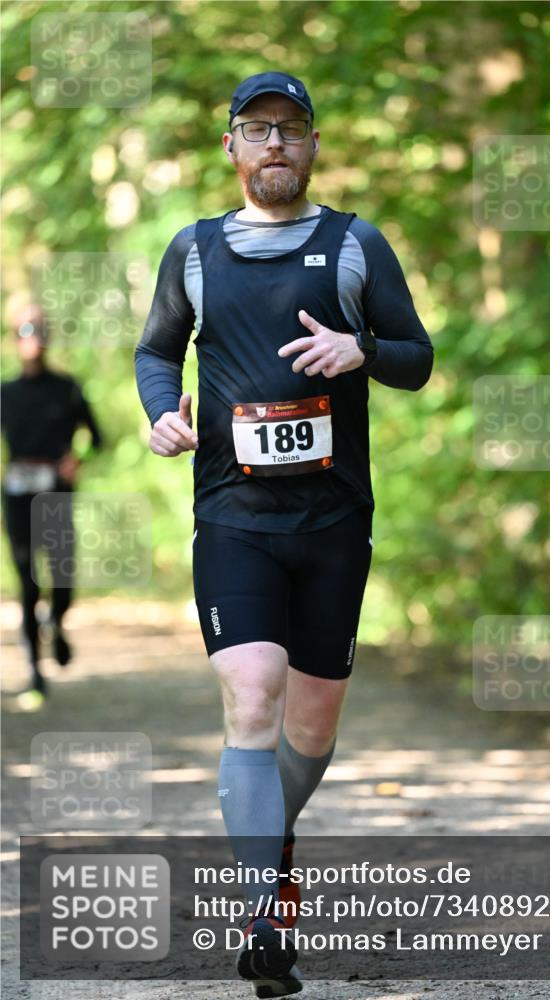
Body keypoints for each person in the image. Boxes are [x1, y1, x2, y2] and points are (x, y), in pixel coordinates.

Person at [135, 71, 433, 997]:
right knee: (252, 699)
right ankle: (263, 914)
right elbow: (156, 350)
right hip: (232, 517)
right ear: (230, 146)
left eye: (292, 128)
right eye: (256, 128)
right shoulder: (192, 250)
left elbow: (417, 358)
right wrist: (160, 413)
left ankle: (267, 836)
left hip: (336, 521)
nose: (275, 143)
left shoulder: (355, 245)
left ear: (312, 145)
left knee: (308, 725)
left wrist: (363, 351)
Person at [1, 304, 103, 699]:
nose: (34, 336)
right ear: (16, 339)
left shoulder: (67, 388)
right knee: (27, 581)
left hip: (56, 496)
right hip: (17, 497)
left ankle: (56, 622)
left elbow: (97, 439)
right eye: (26, 329)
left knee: (62, 577)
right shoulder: (5, 394)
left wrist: (77, 459)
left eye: (40, 328)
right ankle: (34, 671)